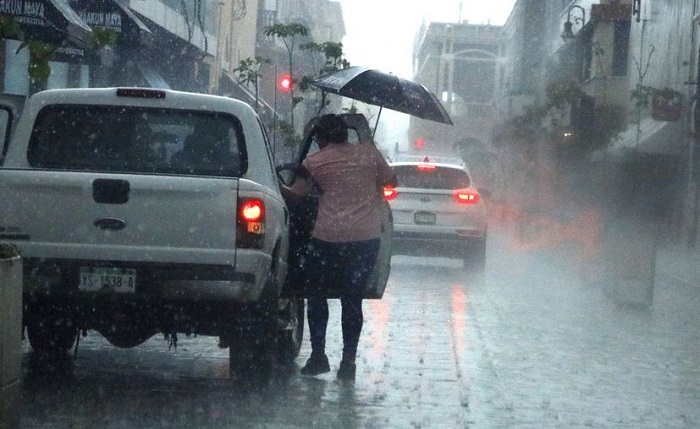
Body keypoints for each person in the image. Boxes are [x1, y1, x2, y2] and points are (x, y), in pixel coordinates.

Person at [283, 114, 397, 381]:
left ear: (321, 139)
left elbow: (298, 194)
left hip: (327, 239)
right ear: (346, 135)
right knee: (352, 299)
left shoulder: (314, 162)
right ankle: (348, 362)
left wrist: (277, 186)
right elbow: (392, 181)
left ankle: (319, 356)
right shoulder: (370, 155)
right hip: (365, 239)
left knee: (316, 295)